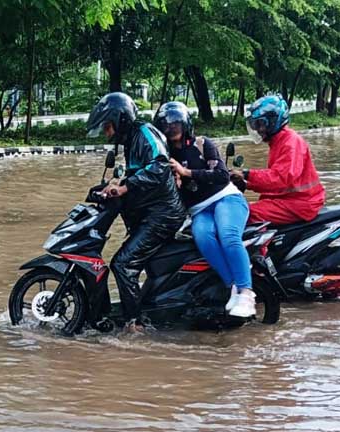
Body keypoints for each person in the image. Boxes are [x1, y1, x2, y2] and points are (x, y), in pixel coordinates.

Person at [85, 92, 186, 330]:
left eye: (108, 127)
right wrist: (114, 184)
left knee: (123, 265)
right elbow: (137, 171)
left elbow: (159, 166)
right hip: (150, 213)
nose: (107, 133)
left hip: (163, 214)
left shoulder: (145, 134)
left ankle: (135, 324)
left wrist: (125, 187)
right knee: (127, 260)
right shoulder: (132, 139)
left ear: (120, 120)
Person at [153, 102, 256, 318]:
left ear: (185, 124)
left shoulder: (202, 144)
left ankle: (246, 291)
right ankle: (233, 288)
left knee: (228, 235)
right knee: (204, 239)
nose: (172, 130)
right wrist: (176, 185)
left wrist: (186, 172)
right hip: (200, 210)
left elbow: (221, 175)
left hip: (225, 198)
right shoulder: (164, 156)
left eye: (176, 125)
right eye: (167, 126)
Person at [230, 95, 325, 225]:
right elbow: (274, 181)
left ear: (274, 121)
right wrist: (246, 183)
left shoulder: (291, 143)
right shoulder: (277, 141)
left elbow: (280, 179)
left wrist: (247, 174)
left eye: (261, 124)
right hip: (288, 199)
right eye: (255, 125)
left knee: (248, 213)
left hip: (301, 203)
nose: (258, 129)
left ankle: (261, 246)